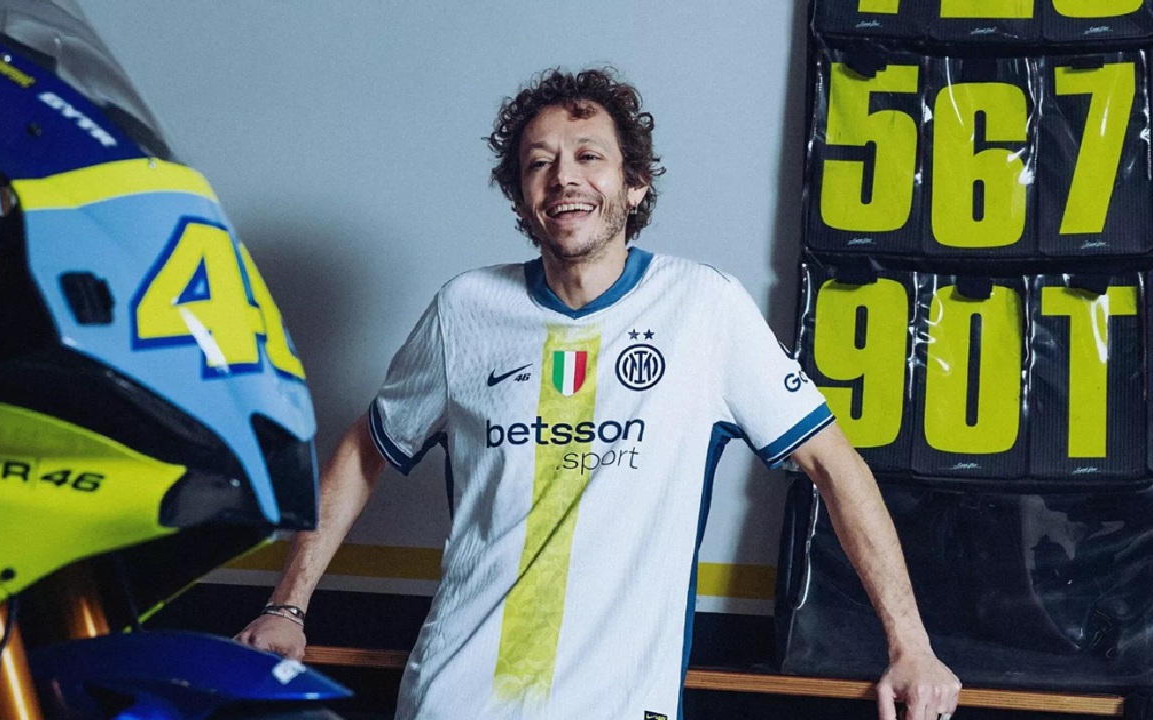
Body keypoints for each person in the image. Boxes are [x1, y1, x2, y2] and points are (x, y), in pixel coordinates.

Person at [237, 67, 961, 720]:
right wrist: (286, 607)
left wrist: (911, 647)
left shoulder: (703, 308)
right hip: (454, 698)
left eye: (589, 156)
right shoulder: (465, 310)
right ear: (522, 197)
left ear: (634, 184)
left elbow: (833, 464)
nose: (564, 177)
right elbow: (365, 448)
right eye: (539, 162)